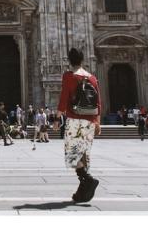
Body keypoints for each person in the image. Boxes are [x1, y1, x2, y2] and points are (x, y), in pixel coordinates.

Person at [58, 47, 102, 203]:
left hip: (76, 119)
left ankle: (88, 180)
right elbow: (98, 101)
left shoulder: (69, 76)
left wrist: (57, 117)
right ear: (82, 60)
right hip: (90, 120)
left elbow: (64, 97)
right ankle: (83, 191)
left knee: (72, 155)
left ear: (69, 61)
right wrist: (97, 121)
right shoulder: (92, 78)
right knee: (83, 155)